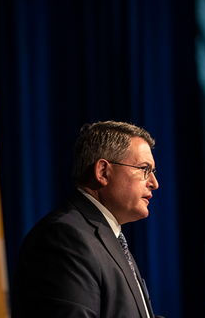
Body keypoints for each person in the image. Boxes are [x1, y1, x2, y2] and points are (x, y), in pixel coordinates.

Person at [11, 121, 164, 318]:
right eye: (144, 169)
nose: (154, 183)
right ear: (103, 172)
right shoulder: (66, 238)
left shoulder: (110, 237)